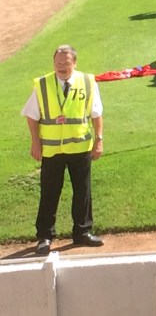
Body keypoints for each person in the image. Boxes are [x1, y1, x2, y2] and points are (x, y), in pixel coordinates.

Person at [21, 45, 105, 255]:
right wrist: (35, 141)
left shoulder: (87, 82)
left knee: (83, 192)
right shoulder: (42, 84)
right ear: (53, 64)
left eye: (66, 63)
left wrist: (99, 140)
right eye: (58, 64)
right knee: (49, 193)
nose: (62, 68)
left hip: (80, 147)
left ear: (74, 63)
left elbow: (97, 113)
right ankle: (45, 236)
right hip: (51, 150)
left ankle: (82, 232)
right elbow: (31, 115)